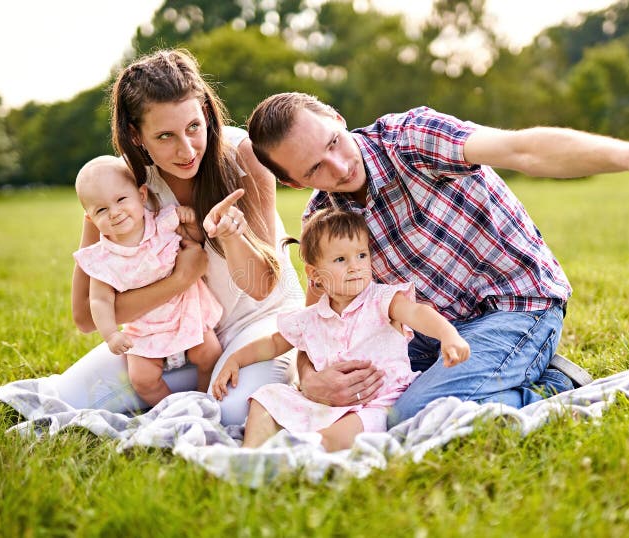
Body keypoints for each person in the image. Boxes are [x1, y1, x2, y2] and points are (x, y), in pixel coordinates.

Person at [246, 92, 629, 427]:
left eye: (334, 142)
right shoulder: (323, 218)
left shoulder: (409, 138)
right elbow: (321, 319)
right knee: (342, 406)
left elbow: (524, 149)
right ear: (293, 182)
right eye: (314, 168)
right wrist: (311, 380)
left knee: (410, 415)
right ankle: (505, 375)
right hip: (433, 331)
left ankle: (554, 384)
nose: (339, 166)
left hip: (516, 305)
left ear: (334, 116)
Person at [53, 49, 303, 426]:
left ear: (205, 112)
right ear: (136, 136)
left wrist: (233, 237)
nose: (186, 150)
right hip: (172, 335)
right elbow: (87, 316)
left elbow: (263, 287)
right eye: (165, 136)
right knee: (68, 400)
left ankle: (212, 386)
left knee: (233, 413)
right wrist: (180, 280)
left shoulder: (244, 157)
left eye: (193, 127)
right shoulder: (119, 188)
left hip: (258, 324)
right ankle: (186, 389)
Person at [211, 209, 470, 451]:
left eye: (361, 255)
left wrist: (448, 335)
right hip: (325, 403)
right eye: (340, 259)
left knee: (336, 437)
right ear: (315, 274)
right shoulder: (312, 317)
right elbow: (273, 343)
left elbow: (417, 313)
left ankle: (302, 452)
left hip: (376, 403)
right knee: (266, 397)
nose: (355, 266)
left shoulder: (382, 300)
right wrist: (235, 359)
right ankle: (250, 453)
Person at [73, 156, 223, 404]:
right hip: (145, 329)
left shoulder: (163, 222)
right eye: (101, 209)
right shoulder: (103, 259)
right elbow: (99, 300)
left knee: (210, 353)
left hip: (186, 313)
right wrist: (111, 335)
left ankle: (203, 399)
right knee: (142, 378)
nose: (115, 212)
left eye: (121, 200)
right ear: (90, 219)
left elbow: (196, 239)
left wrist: (191, 219)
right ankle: (170, 409)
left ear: (142, 195)